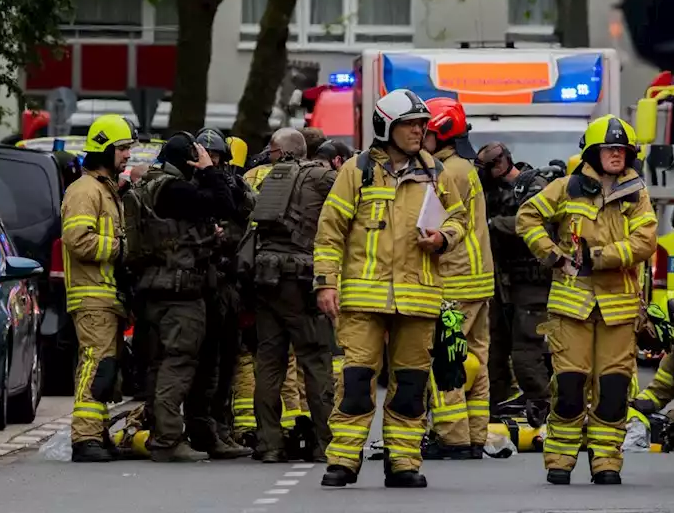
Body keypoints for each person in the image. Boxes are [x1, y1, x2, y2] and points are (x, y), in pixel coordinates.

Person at [314, 89, 469, 489]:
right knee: (356, 383)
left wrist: (443, 238)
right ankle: (344, 461)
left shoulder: (437, 172)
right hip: (364, 299)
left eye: (422, 124)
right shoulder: (357, 170)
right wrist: (325, 284)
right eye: (410, 125)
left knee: (411, 388)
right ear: (387, 127)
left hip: (418, 298)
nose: (419, 131)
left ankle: (402, 463)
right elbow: (330, 231)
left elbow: (459, 219)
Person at [516, 115, 658, 485]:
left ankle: (606, 462)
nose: (617, 154)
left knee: (613, 390)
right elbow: (527, 218)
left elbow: (646, 242)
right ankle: (560, 461)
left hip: (619, 309)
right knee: (569, 387)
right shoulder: (565, 188)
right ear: (593, 152)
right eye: (610, 149)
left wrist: (600, 257)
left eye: (622, 150)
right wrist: (551, 254)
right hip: (571, 307)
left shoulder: (637, 194)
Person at [134, 132, 238, 462]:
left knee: (159, 363)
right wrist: (209, 171)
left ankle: (161, 432)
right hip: (180, 291)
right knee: (178, 363)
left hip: (153, 287)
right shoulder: (174, 188)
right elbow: (225, 204)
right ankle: (167, 439)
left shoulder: (149, 184)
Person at [248, 128, 338, 463]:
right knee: (315, 361)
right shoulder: (321, 177)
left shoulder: (268, 178)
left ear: (279, 150)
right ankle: (324, 443)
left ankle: (270, 444)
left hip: (265, 279)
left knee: (269, 364)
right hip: (301, 281)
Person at [420, 97, 494, 460]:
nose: (420, 137)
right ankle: (476, 435)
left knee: (447, 359)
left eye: (426, 131)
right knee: (476, 360)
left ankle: (452, 438)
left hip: (453, 280)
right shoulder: (466, 167)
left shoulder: (444, 172)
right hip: (478, 281)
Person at [63, 114, 135, 462]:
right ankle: (85, 439)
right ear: (104, 150)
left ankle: (97, 432)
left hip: (106, 296)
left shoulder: (106, 191)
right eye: (122, 149)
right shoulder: (84, 191)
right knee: (95, 363)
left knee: (106, 367)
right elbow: (77, 240)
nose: (127, 156)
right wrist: (122, 248)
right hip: (91, 294)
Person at [184, 129, 254, 459]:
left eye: (217, 157)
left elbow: (243, 219)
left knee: (227, 362)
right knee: (204, 364)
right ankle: (203, 429)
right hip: (201, 285)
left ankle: (221, 427)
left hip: (229, 284)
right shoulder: (189, 187)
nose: (211, 162)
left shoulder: (233, 188)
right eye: (207, 156)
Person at [477, 143, 555, 426]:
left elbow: (539, 225)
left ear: (500, 164)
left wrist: (493, 224)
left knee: (525, 350)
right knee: (494, 349)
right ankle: (495, 406)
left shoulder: (535, 185)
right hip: (503, 285)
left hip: (533, 285)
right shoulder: (492, 192)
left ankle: (543, 403)